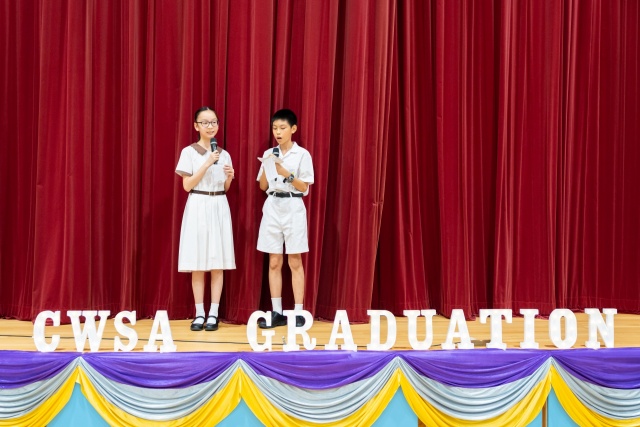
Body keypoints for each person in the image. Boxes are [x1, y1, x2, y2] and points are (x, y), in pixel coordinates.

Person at [175, 106, 235, 331]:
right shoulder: (189, 152)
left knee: (217, 261)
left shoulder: (224, 154)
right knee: (198, 262)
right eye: (205, 122)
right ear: (196, 126)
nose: (211, 126)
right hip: (198, 204)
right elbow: (187, 185)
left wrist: (229, 178)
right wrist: (207, 163)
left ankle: (213, 313)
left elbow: (224, 188)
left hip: (218, 204)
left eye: (214, 122)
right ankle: (199, 313)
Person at [256, 109, 314, 328]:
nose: (278, 132)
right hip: (272, 205)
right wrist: (267, 165)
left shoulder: (302, 154)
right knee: (274, 261)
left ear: (293, 129)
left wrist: (284, 172)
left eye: (282, 128)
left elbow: (304, 187)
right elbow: (263, 186)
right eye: (274, 128)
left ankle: (299, 313)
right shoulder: (269, 152)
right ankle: (277, 312)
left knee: (295, 260)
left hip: (293, 205)